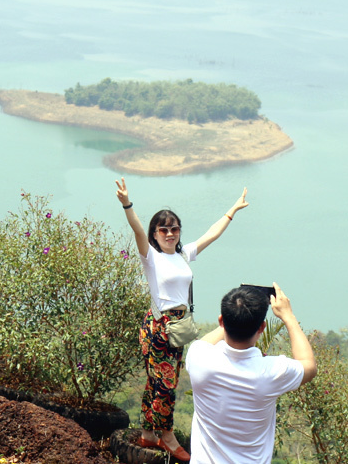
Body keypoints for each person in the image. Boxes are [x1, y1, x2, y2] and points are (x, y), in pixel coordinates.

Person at [115, 178, 250, 462]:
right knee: (166, 385)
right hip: (159, 327)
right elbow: (136, 228)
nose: (169, 233)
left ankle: (148, 434)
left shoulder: (183, 254)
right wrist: (127, 203)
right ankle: (167, 437)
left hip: (176, 328)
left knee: (157, 382)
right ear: (155, 233)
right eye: (163, 229)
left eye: (174, 228)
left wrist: (232, 210)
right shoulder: (150, 256)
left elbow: (211, 235)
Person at [185, 283, 318, 464]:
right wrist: (289, 317)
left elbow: (206, 342)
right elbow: (309, 366)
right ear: (262, 328)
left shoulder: (198, 357)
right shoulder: (271, 372)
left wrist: (234, 316)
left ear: (221, 321)